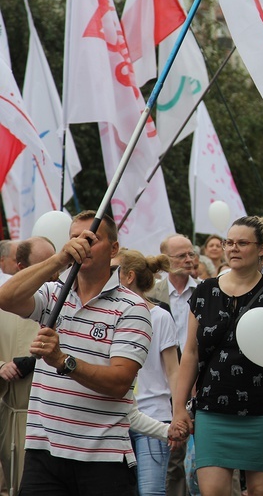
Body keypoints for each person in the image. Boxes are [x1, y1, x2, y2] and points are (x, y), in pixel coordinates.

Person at [0, 211, 153, 495]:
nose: (81, 245)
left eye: (91, 239)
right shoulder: (53, 293)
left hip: (102, 459)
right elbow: (5, 298)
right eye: (75, 238)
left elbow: (120, 383)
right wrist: (59, 260)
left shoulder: (132, 308)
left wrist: (63, 362)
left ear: (114, 249)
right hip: (43, 453)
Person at [171, 216, 263, 496]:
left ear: (262, 248)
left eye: (243, 243)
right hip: (212, 411)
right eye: (229, 242)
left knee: (261, 492)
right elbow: (190, 353)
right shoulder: (205, 291)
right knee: (213, 491)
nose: (233, 248)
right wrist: (179, 407)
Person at [114, 248, 180, 496]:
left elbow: (174, 371)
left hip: (153, 416)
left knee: (151, 492)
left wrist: (178, 413)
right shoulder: (109, 314)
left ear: (129, 276)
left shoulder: (160, 317)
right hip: (116, 417)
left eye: (114, 272)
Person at [0, 237, 57, 496]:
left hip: (53, 416)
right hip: (13, 411)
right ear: (23, 267)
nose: (55, 271)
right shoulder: (6, 304)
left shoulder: (66, 300)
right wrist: (1, 366)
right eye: (46, 264)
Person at [149, 233, 199, 496]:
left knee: (200, 453)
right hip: (162, 383)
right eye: (182, 255)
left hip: (197, 382)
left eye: (191, 253)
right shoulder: (150, 294)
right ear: (166, 260)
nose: (189, 259)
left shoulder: (205, 290)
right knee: (170, 455)